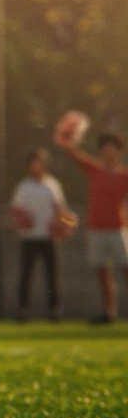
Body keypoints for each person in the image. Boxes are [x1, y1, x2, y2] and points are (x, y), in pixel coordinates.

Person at [54, 128, 128, 324]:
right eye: (106, 148)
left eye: (113, 148)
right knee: (102, 274)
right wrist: (67, 141)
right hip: (96, 230)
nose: (109, 152)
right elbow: (76, 156)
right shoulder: (95, 170)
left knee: (126, 269)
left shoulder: (124, 176)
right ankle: (108, 313)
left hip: (118, 229)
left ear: (119, 152)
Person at [10, 148, 74, 323]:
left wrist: (65, 223)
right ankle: (22, 309)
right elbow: (15, 210)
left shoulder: (52, 185)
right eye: (32, 163)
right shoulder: (24, 186)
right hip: (29, 237)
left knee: (52, 275)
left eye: (38, 163)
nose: (35, 167)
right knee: (26, 275)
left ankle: (55, 309)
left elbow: (61, 209)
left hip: (48, 236)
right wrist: (23, 220)